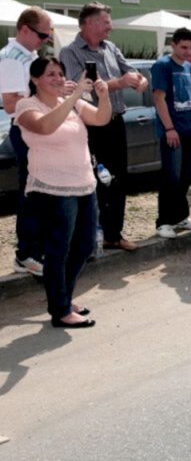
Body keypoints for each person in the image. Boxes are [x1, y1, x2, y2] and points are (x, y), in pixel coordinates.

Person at [15, 57, 111, 328]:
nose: (58, 78)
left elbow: (101, 119)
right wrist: (74, 95)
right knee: (59, 249)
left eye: (60, 73)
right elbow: (45, 126)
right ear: (35, 80)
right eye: (50, 74)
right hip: (52, 188)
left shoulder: (73, 103)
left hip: (84, 184)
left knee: (84, 246)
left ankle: (65, 298)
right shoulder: (26, 106)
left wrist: (103, 96)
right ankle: (60, 310)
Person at [59, 2, 148, 252]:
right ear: (90, 23)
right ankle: (90, 238)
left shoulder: (111, 48)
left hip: (116, 122)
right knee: (95, 179)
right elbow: (84, 90)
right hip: (90, 125)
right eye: (106, 21)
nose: (111, 27)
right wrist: (120, 83)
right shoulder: (70, 53)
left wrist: (139, 81)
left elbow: (131, 72)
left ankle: (113, 235)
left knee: (119, 179)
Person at [1, 6, 53, 277]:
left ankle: (34, 249)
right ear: (24, 29)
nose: (45, 40)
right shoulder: (11, 58)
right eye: (42, 35)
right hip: (23, 130)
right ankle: (25, 254)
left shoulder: (28, 55)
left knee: (40, 191)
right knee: (31, 193)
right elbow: (10, 104)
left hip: (34, 129)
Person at [151, 28, 191, 239]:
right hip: (172, 131)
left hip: (189, 129)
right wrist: (169, 128)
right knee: (170, 177)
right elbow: (158, 98)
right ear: (173, 45)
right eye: (183, 47)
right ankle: (163, 221)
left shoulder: (189, 67)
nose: (188, 52)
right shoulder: (162, 66)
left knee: (184, 176)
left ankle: (181, 216)